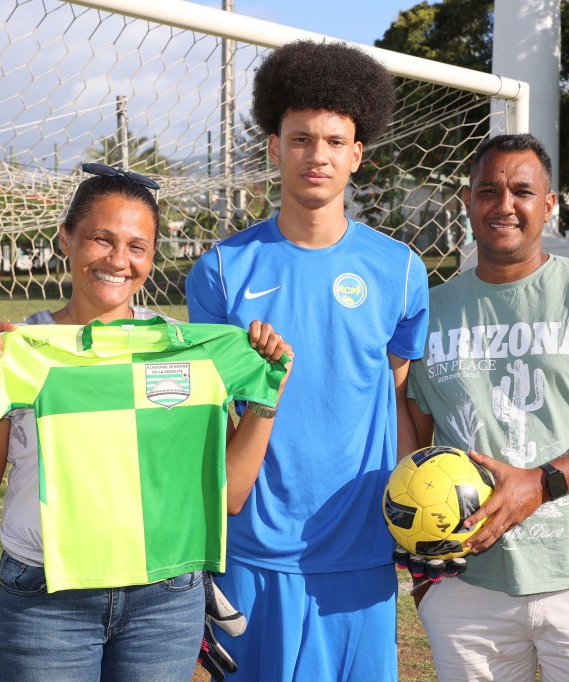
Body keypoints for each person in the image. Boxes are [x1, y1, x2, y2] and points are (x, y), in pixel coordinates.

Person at [0, 163, 292, 682]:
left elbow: (231, 496)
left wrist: (265, 397)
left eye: (137, 246)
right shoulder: (17, 351)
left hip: (166, 599)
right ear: (66, 239)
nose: (118, 261)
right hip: (47, 599)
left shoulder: (189, 351)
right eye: (101, 240)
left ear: (151, 255)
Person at [185, 40, 429, 681]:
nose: (315, 155)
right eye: (299, 139)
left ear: (357, 154)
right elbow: (209, 418)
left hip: (360, 552)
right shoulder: (220, 271)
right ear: (273, 147)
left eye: (332, 140)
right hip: (250, 549)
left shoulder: (401, 271)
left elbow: (395, 395)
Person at [406, 133, 569, 682]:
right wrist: (420, 559)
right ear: (467, 200)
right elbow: (413, 432)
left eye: (522, 191)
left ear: (548, 205)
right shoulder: (429, 310)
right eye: (488, 190)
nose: (504, 205)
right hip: (466, 585)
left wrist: (540, 483)